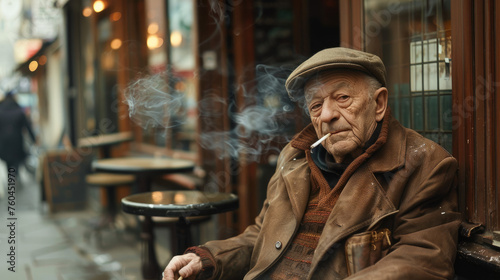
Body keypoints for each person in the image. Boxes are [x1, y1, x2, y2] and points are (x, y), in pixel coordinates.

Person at [163, 47, 461, 280]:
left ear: (379, 104)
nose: (327, 114)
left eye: (342, 97)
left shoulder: (424, 164)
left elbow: (421, 259)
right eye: (316, 105)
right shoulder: (293, 159)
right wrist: (208, 258)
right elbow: (261, 233)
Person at [0, 90, 37, 179]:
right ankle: (14, 182)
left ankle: (12, 183)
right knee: (15, 164)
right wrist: (34, 139)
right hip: (16, 143)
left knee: (9, 164)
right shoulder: (19, 111)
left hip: (3, 144)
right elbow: (28, 127)